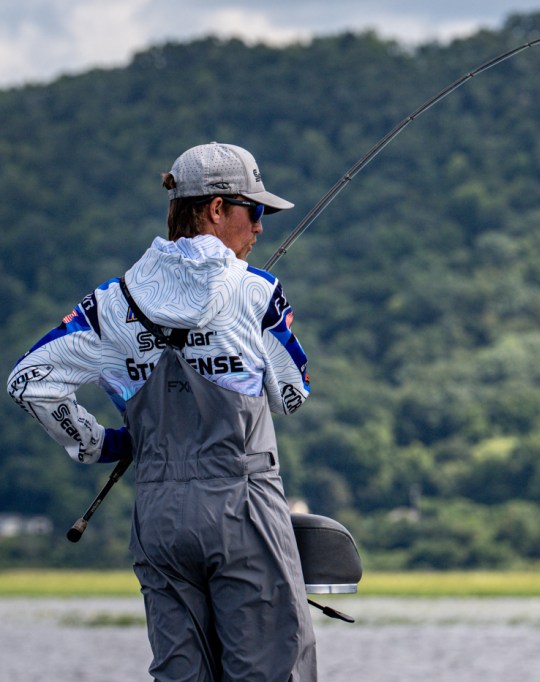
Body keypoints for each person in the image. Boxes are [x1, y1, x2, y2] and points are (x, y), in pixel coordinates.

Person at [6, 142, 317, 681]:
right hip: (243, 504)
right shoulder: (257, 291)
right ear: (216, 209)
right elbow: (291, 395)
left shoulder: (110, 303)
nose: (260, 227)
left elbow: (28, 382)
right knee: (271, 669)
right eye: (254, 210)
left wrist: (99, 443)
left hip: (158, 514)